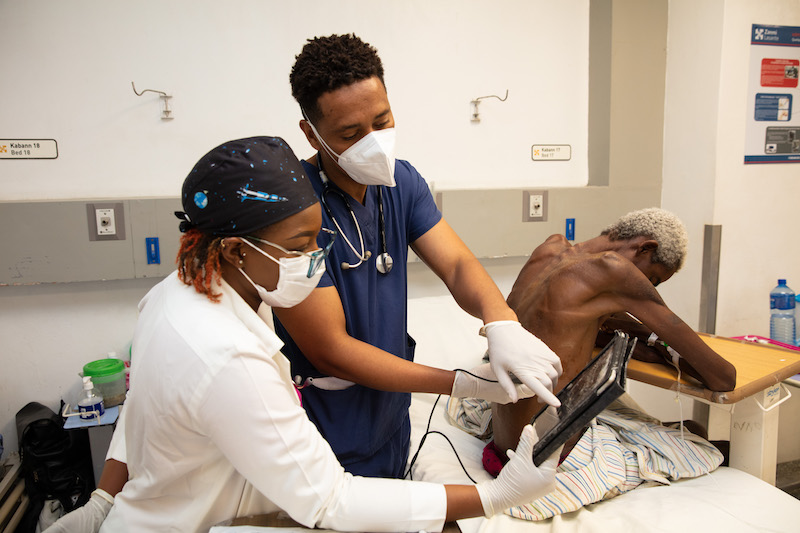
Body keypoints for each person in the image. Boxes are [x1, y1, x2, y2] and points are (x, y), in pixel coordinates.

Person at [46, 137, 561, 533]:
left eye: (318, 238)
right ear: (234, 250)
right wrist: (496, 498)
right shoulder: (228, 358)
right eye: (298, 246)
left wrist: (105, 500)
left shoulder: (174, 293)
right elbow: (331, 499)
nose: (316, 257)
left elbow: (141, 404)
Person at [272, 33, 563, 480]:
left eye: (381, 121)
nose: (372, 141)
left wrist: (500, 319)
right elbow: (331, 350)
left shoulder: (401, 183)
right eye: (350, 134)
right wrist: (461, 383)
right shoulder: (294, 210)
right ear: (311, 133)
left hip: (391, 419)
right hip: (326, 430)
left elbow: (457, 264)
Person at [488, 207, 737, 459]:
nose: (648, 286)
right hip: (543, 449)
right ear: (645, 248)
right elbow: (723, 378)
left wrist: (646, 341)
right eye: (652, 279)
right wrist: (658, 345)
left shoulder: (549, 250)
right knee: (696, 433)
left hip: (503, 436)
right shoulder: (614, 269)